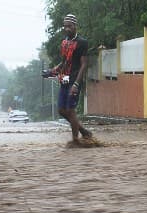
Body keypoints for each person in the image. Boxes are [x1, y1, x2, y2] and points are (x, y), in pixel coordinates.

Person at [44, 14, 92, 143]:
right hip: (64, 77)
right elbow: (64, 62)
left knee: (70, 110)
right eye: (65, 26)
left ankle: (75, 140)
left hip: (74, 79)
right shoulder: (64, 42)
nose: (67, 28)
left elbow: (84, 64)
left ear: (75, 26)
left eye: (69, 26)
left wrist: (76, 84)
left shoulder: (82, 42)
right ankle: (84, 131)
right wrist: (52, 71)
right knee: (61, 110)